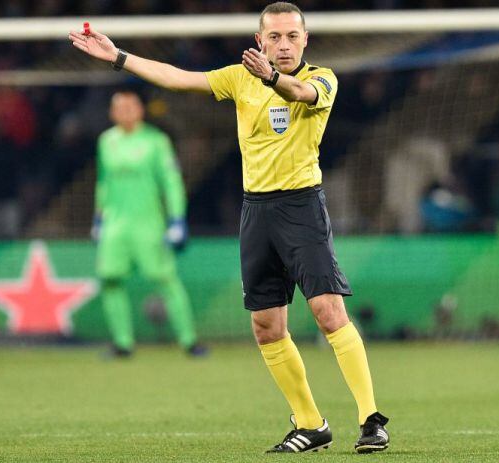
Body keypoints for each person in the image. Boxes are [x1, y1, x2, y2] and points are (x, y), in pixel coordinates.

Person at [70, 2, 389, 453]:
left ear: (305, 40)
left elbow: (301, 94)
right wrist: (118, 56)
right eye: (274, 36)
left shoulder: (322, 78)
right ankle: (310, 423)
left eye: (291, 36)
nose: (283, 44)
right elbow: (179, 78)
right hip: (256, 211)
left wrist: (271, 78)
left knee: (328, 312)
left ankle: (371, 419)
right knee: (265, 325)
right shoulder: (240, 78)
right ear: (260, 40)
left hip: (302, 207)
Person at [93, 90, 207, 358]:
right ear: (112, 113)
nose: (125, 111)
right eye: (119, 107)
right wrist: (98, 218)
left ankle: (189, 341)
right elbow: (103, 182)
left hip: (149, 225)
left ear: (140, 110)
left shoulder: (156, 142)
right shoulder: (106, 141)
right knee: (109, 280)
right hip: (115, 226)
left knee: (166, 280)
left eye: (131, 106)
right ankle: (122, 344)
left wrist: (176, 219)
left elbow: (171, 182)